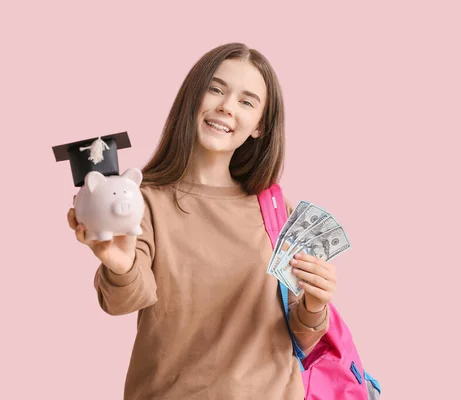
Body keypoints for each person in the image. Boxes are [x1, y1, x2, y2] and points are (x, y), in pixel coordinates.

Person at [66, 42, 338, 399]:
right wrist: (121, 265)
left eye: (247, 101)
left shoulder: (273, 207)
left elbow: (298, 335)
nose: (226, 107)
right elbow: (123, 301)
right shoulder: (142, 200)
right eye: (216, 89)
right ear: (192, 98)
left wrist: (316, 303)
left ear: (259, 126)